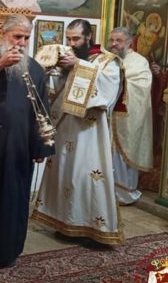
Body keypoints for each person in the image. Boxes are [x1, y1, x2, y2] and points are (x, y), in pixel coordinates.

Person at [0, 14, 54, 268]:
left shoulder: (35, 68)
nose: (22, 43)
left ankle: (7, 251)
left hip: (18, 146)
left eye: (26, 38)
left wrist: (41, 146)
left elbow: (42, 109)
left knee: (12, 197)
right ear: (3, 34)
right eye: (17, 36)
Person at [32, 19, 124, 245]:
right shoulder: (68, 58)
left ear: (88, 37)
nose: (71, 44)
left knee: (85, 176)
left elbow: (107, 93)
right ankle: (65, 222)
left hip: (89, 131)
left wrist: (78, 65)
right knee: (66, 174)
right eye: (69, 39)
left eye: (76, 39)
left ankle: (93, 229)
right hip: (65, 126)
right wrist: (51, 70)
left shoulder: (107, 61)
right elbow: (56, 92)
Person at [109, 27, 153, 204]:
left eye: (118, 40)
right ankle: (108, 193)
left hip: (127, 117)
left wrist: (121, 79)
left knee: (122, 157)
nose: (114, 44)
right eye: (112, 40)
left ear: (129, 42)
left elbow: (142, 86)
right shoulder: (108, 60)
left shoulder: (139, 62)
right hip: (108, 116)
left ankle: (124, 193)